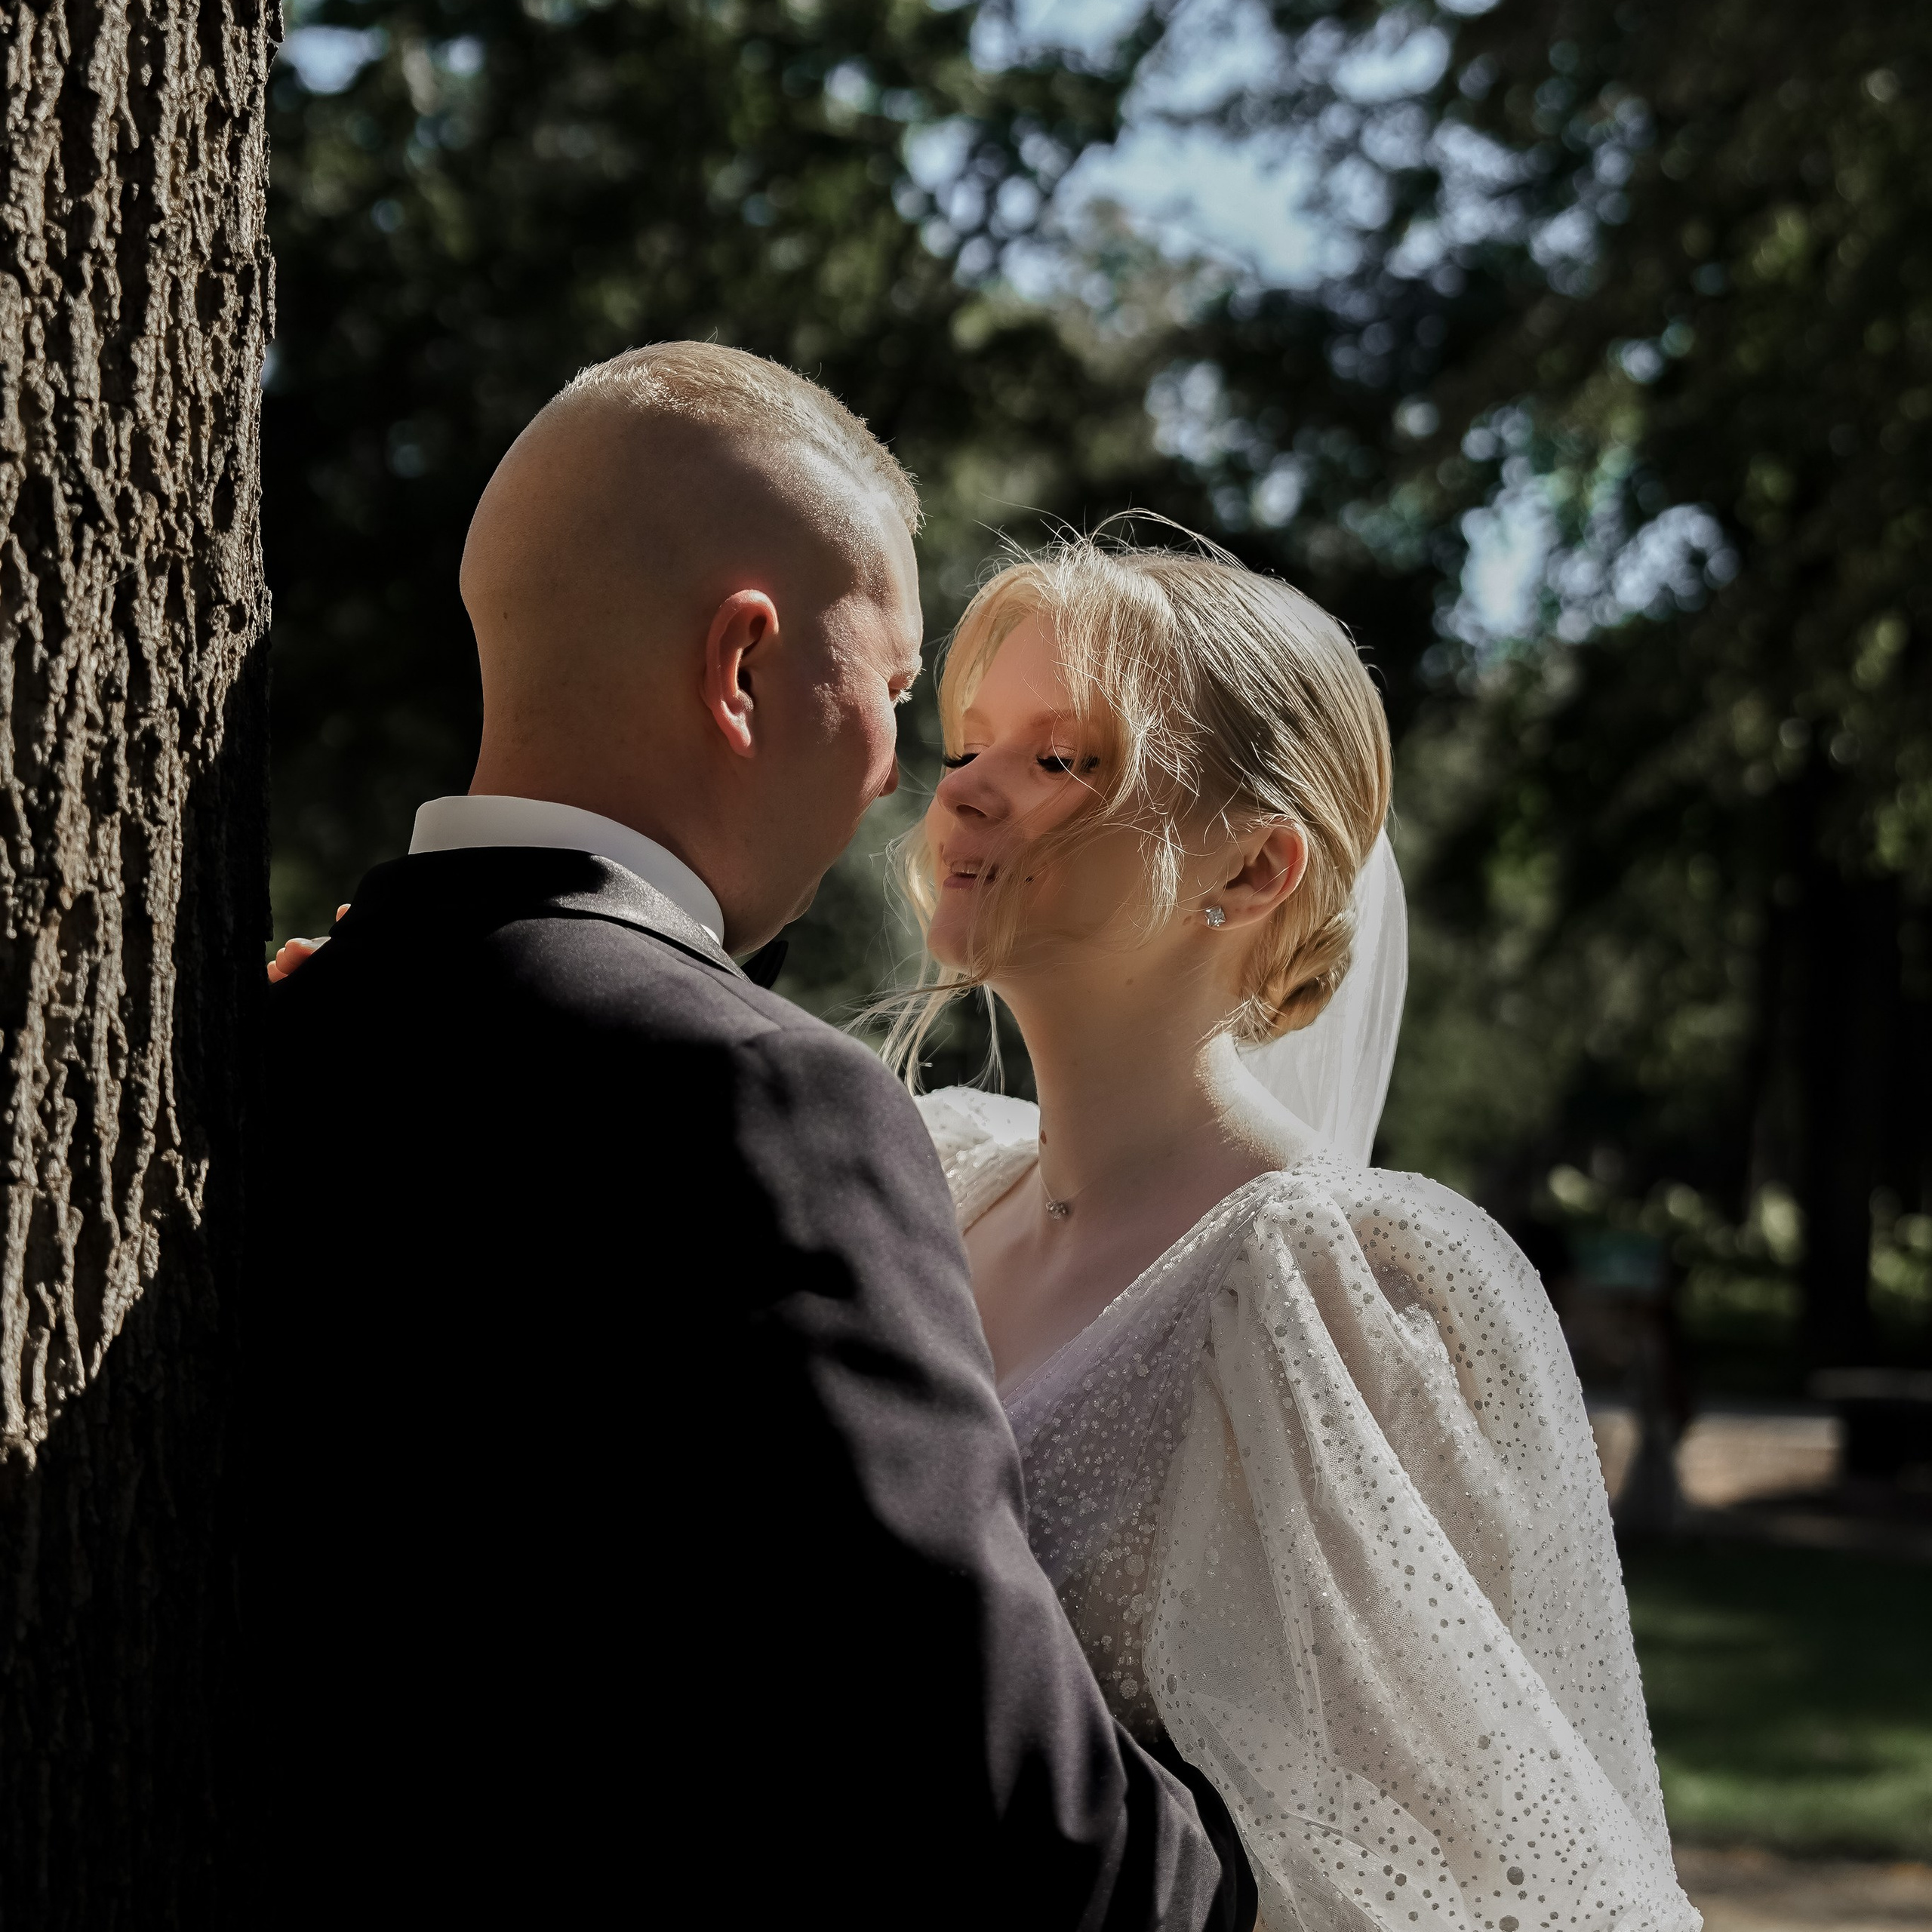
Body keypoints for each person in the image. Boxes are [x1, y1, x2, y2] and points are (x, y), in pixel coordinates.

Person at [250, 346, 1257, 1929]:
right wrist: (1253, 1843)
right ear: (742, 666)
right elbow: (1015, 1822)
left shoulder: (276, 1033)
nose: (890, 777)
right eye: (897, 692)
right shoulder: (752, 1096)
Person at [899, 535, 1700, 1932]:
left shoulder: (1337, 1289)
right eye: (968, 743)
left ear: (1260, 866)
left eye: (1061, 758)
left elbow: (1457, 1866)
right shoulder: (932, 1175)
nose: (966, 786)